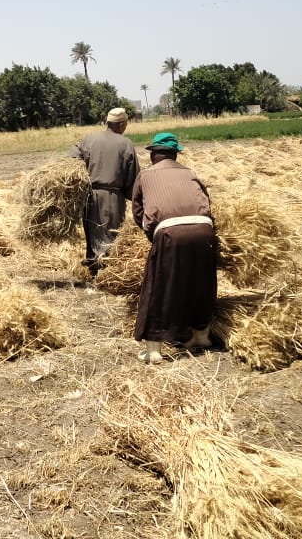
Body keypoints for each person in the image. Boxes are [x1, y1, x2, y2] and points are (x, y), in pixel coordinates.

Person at [129, 132, 217, 364]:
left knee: (158, 287)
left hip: (170, 232)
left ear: (153, 155)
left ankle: (154, 350)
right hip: (204, 229)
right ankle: (201, 336)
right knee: (201, 283)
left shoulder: (145, 175)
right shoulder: (190, 173)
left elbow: (138, 212)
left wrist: (154, 236)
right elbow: (207, 201)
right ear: (175, 154)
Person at [71, 106, 140, 273]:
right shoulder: (125, 143)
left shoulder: (88, 140)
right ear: (121, 124)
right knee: (110, 234)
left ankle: (94, 269)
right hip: (112, 196)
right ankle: (107, 274)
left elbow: (71, 161)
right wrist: (136, 198)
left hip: (89, 196)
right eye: (125, 124)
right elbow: (134, 175)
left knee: (92, 233)